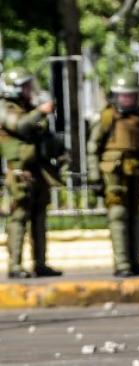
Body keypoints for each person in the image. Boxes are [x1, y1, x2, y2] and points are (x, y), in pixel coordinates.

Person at [88, 71, 139, 277]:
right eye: (123, 96)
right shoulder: (107, 115)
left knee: (137, 216)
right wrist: (94, 176)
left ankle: (135, 262)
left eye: (131, 96)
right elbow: (93, 146)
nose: (127, 100)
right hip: (113, 174)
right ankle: (122, 264)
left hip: (137, 172)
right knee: (118, 215)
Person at [0, 67, 64, 278]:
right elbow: (20, 126)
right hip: (19, 172)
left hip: (38, 170)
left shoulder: (29, 108)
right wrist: (40, 112)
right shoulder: (5, 108)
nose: (30, 90)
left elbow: (44, 136)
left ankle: (40, 263)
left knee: (39, 218)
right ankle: (15, 265)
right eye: (26, 86)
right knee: (19, 217)